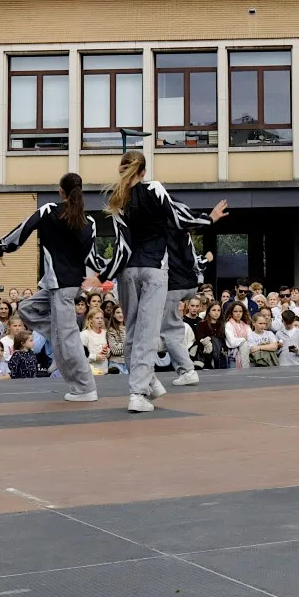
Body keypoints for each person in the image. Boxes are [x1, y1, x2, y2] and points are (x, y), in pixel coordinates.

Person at [101, 151, 228, 412]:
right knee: (147, 334)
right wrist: (209, 218)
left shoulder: (117, 199)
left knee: (132, 332)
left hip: (128, 271)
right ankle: (137, 393)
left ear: (121, 169)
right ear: (144, 171)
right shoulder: (155, 189)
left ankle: (150, 382)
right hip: (154, 269)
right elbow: (180, 218)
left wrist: (104, 274)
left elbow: (121, 245)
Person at [0, 172, 107, 403]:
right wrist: (109, 271)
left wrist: (2, 247)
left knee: (68, 341)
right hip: (58, 285)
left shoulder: (49, 211)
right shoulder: (90, 222)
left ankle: (86, 388)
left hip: (61, 287)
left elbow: (23, 229)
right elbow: (93, 259)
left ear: (61, 191)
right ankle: (55, 335)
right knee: (26, 309)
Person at [164, 224, 213, 387]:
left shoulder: (161, 233)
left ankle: (187, 370)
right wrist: (206, 259)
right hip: (187, 285)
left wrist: (206, 259)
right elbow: (194, 263)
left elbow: (193, 262)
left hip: (172, 285)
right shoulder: (183, 235)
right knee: (171, 328)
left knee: (170, 330)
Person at [194, 301, 225, 369]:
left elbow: (223, 341)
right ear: (208, 311)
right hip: (205, 355)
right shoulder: (202, 324)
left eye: (218, 310)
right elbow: (199, 339)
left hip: (219, 355)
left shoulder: (222, 325)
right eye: (214, 310)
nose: (216, 313)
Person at [221, 302, 251, 368]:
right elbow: (232, 342)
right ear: (231, 312)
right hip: (233, 356)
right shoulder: (228, 325)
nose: (238, 313)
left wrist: (243, 340)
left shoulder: (246, 326)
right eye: (235, 311)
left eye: (240, 311)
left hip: (247, 354)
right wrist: (244, 339)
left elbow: (251, 340)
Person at [80, 309, 109, 376]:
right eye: (97, 318)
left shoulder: (105, 332)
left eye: (101, 318)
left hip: (105, 370)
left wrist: (107, 351)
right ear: (90, 320)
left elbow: (109, 353)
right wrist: (95, 357)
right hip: (91, 371)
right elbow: (80, 356)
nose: (100, 320)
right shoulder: (84, 334)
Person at [106, 305, 128, 376]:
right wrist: (128, 345)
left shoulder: (131, 329)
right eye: (118, 312)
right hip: (115, 364)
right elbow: (115, 350)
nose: (121, 315)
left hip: (130, 363)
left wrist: (121, 345)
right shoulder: (110, 331)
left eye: (122, 312)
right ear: (114, 315)